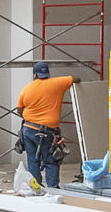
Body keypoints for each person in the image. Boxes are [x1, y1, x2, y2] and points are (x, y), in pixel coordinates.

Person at [15, 61, 76, 190]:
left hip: (29, 129)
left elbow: (19, 110)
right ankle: (53, 188)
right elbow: (76, 79)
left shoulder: (27, 88)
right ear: (48, 73)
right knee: (51, 159)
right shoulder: (58, 83)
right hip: (47, 131)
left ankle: (36, 188)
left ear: (34, 75)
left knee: (32, 160)